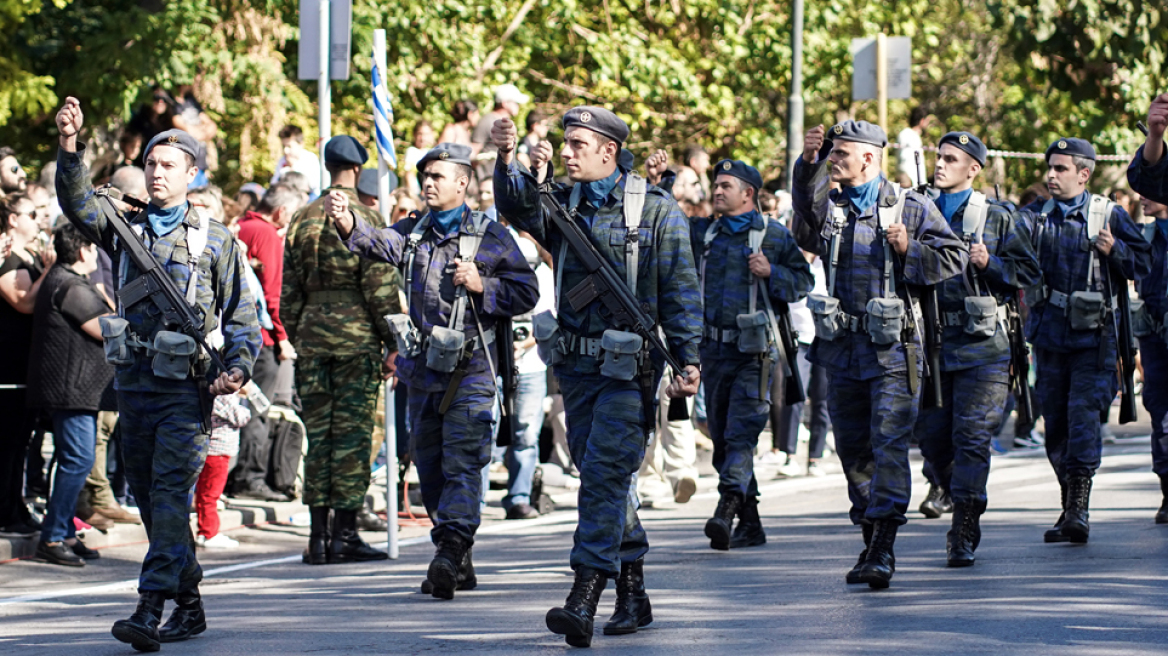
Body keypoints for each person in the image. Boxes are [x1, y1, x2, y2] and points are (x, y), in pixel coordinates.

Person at [55, 97, 261, 651]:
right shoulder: (124, 226)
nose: (156, 172)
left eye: (169, 165)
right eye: (150, 164)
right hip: (132, 387)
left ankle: (148, 608)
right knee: (151, 502)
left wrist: (238, 368)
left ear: (192, 176)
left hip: (184, 391)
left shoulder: (215, 239)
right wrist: (70, 145)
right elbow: (76, 203)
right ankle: (190, 605)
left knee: (170, 496)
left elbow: (245, 314)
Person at [493, 107, 702, 646]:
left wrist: (688, 360)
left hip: (628, 373)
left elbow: (681, 291)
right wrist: (506, 157)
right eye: (565, 143)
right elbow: (514, 207)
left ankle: (583, 595)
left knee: (607, 475)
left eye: (577, 144)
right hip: (577, 370)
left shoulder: (655, 212)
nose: (566, 152)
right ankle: (632, 588)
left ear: (607, 150)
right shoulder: (558, 204)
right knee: (600, 478)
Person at [331, 142, 538, 598]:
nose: (428, 182)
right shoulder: (414, 231)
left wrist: (485, 285)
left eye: (438, 176)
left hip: (472, 371)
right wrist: (347, 221)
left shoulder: (489, 235)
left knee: (464, 464)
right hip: (422, 372)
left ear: (462, 183)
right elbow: (378, 242)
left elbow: (527, 291)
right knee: (432, 471)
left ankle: (448, 550)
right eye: (425, 176)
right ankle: (460, 561)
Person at [791, 121, 967, 589]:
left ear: (868, 158)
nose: (834, 158)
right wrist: (808, 164)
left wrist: (911, 250)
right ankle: (869, 532)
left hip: (894, 351)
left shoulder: (908, 206)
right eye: (831, 152)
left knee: (888, 443)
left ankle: (884, 544)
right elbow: (803, 217)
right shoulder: (832, 205)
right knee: (851, 447)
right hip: (842, 349)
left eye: (841, 153)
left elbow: (953, 257)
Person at [1015, 138, 1152, 546]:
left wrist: (1116, 252)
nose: (1051, 176)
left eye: (1060, 169)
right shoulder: (1035, 216)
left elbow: (1145, 262)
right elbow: (1009, 246)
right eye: (1050, 168)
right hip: (1050, 337)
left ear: (1083, 173)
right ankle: (1067, 503)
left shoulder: (1106, 214)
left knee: (1081, 419)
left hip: (1095, 338)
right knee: (1054, 423)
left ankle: (1078, 507)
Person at [912, 132, 1040, 566]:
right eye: (938, 157)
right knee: (932, 441)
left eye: (951, 159)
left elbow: (1028, 272)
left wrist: (992, 265)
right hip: (929, 345)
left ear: (973, 169)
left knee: (971, 438)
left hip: (983, 347)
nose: (940, 164)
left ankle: (965, 525)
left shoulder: (998, 216)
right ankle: (947, 487)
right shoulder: (914, 209)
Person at [281, 135, 403, 566]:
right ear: (356, 169)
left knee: (320, 439)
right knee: (352, 437)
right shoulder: (366, 216)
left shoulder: (299, 219)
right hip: (356, 340)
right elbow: (380, 288)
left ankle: (317, 536)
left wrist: (300, 334)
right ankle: (345, 533)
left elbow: (288, 292)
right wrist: (393, 343)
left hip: (313, 338)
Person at [691, 159, 812, 550]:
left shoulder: (772, 236)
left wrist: (772, 272)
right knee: (723, 439)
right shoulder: (706, 233)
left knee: (742, 434)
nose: (718, 191)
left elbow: (802, 283)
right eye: (717, 184)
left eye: (726, 185)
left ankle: (726, 507)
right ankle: (752, 522)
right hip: (713, 350)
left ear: (748, 194)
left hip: (755, 354)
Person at [26, 222, 114, 566]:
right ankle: (52, 537)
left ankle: (63, 531)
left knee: (75, 460)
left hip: (77, 389)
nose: (96, 254)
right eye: (93, 248)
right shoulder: (70, 285)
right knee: (77, 460)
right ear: (82, 251)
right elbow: (107, 328)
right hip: (70, 389)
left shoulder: (69, 280)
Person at [229, 184, 306, 501]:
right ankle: (251, 476)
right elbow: (273, 295)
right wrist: (283, 337)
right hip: (262, 339)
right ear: (282, 212)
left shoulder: (242, 228)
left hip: (237, 333)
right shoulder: (266, 235)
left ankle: (242, 473)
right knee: (258, 408)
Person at [0, 194, 54, 537]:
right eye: (31, 214)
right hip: (7, 367)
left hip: (26, 366)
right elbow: (24, 301)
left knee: (20, 441)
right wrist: (49, 269)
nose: (38, 219)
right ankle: (4, 512)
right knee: (6, 444)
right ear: (12, 220)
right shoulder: (7, 261)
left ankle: (15, 506)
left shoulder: (27, 256)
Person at [1128, 92, 1168, 522]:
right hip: (1157, 333)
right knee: (1163, 414)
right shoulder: (1148, 234)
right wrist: (1155, 134)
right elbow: (1149, 173)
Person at [502, 229, 554, 519]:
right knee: (485, 432)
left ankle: (519, 497)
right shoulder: (495, 274)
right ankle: (474, 502)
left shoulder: (543, 274)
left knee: (526, 433)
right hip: (494, 363)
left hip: (532, 364)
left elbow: (549, 317)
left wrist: (525, 344)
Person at [772, 248, 831, 478]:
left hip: (824, 339)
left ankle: (815, 457)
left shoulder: (826, 262)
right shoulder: (791, 261)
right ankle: (789, 455)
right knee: (794, 398)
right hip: (798, 340)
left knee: (822, 400)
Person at [196, 390, 251, 549]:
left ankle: (204, 531)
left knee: (204, 493)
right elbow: (241, 417)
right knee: (211, 494)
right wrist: (244, 398)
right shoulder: (223, 395)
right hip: (218, 450)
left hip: (210, 449)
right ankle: (209, 532)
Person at [472, 84, 529, 158]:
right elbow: (474, 150)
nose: (519, 106)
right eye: (516, 103)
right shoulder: (487, 121)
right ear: (504, 103)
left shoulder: (509, 124)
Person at [271, 125, 321, 197]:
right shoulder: (282, 160)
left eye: (289, 146)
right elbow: (273, 183)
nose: (286, 151)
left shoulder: (310, 158)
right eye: (283, 146)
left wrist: (293, 167)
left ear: (301, 144)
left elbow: (312, 185)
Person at [896, 106, 932, 188]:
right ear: (922, 121)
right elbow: (905, 162)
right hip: (910, 183)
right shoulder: (909, 135)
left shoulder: (909, 135)